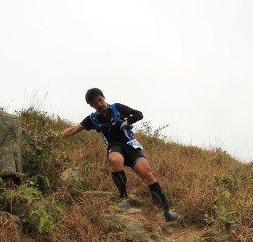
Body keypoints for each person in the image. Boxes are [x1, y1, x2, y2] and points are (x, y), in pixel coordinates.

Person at [61, 88, 179, 221]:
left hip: (131, 147)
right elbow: (74, 129)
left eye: (100, 100)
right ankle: (123, 198)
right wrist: (54, 137)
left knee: (149, 176)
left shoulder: (117, 108)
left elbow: (139, 114)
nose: (99, 104)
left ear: (103, 97)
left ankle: (167, 210)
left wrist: (127, 121)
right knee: (115, 160)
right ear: (91, 106)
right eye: (94, 103)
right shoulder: (93, 118)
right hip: (115, 147)